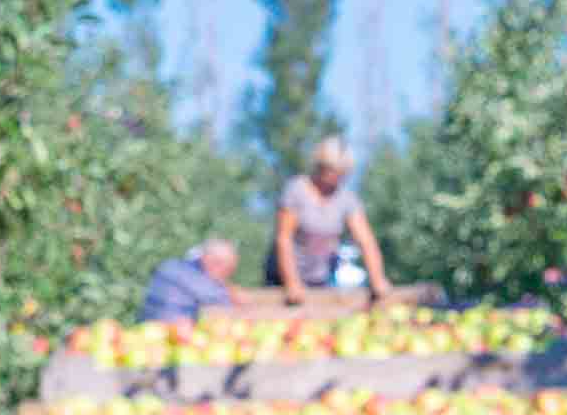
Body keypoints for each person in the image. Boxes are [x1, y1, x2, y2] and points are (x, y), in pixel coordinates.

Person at [272, 137, 393, 301]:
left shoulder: (346, 199)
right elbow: (284, 239)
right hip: (282, 280)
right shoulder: (297, 190)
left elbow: (366, 241)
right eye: (332, 170)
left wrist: (377, 278)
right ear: (320, 166)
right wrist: (292, 282)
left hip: (319, 280)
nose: (336, 176)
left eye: (341, 172)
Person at [139, 237, 243, 323]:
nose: (227, 275)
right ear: (214, 261)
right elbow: (222, 304)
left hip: (148, 328)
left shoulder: (173, 265)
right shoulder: (195, 279)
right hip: (166, 332)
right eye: (228, 269)